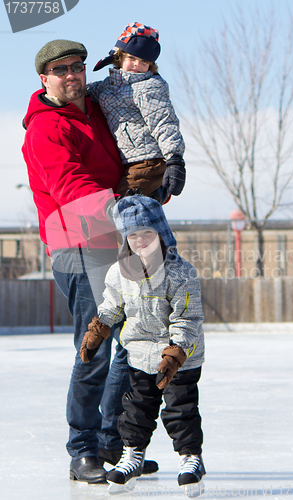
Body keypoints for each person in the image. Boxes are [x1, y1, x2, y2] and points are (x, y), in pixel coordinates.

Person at [22, 39, 157, 484]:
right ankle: (83, 450)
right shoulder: (45, 127)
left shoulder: (96, 110)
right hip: (76, 243)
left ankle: (110, 441)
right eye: (60, 70)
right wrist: (125, 200)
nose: (71, 75)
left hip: (115, 234)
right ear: (45, 79)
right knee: (96, 345)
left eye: (77, 67)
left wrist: (157, 165)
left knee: (134, 337)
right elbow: (70, 186)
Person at [80, 194, 206, 495]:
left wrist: (175, 353)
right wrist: (100, 327)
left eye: (146, 233)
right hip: (139, 353)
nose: (140, 241)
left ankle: (191, 458)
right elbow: (112, 303)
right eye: (132, 235)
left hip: (180, 357)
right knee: (136, 408)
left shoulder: (180, 272)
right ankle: (133, 455)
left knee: (180, 408)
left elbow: (188, 318)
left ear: (160, 233)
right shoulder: (120, 271)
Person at [88, 22, 186, 205]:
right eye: (132, 58)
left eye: (144, 62)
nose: (137, 65)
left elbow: (163, 122)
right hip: (129, 161)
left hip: (148, 161)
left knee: (123, 209)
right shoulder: (108, 85)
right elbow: (86, 93)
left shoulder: (149, 87)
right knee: (136, 216)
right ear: (120, 56)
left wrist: (175, 159)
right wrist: (49, 107)